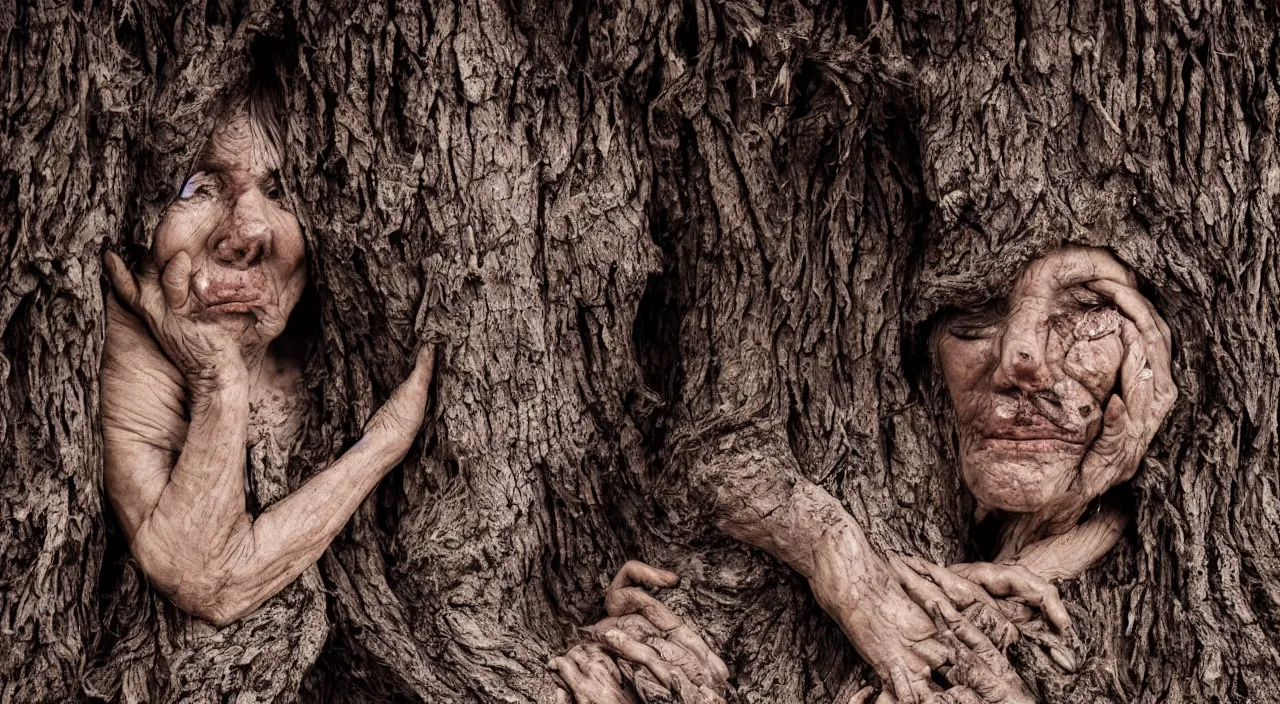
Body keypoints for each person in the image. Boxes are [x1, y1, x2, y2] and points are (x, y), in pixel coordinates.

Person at [100, 81, 434, 627]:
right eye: (197, 186)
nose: (249, 232)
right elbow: (205, 580)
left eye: (282, 191)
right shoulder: (127, 350)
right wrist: (219, 377)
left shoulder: (349, 344)